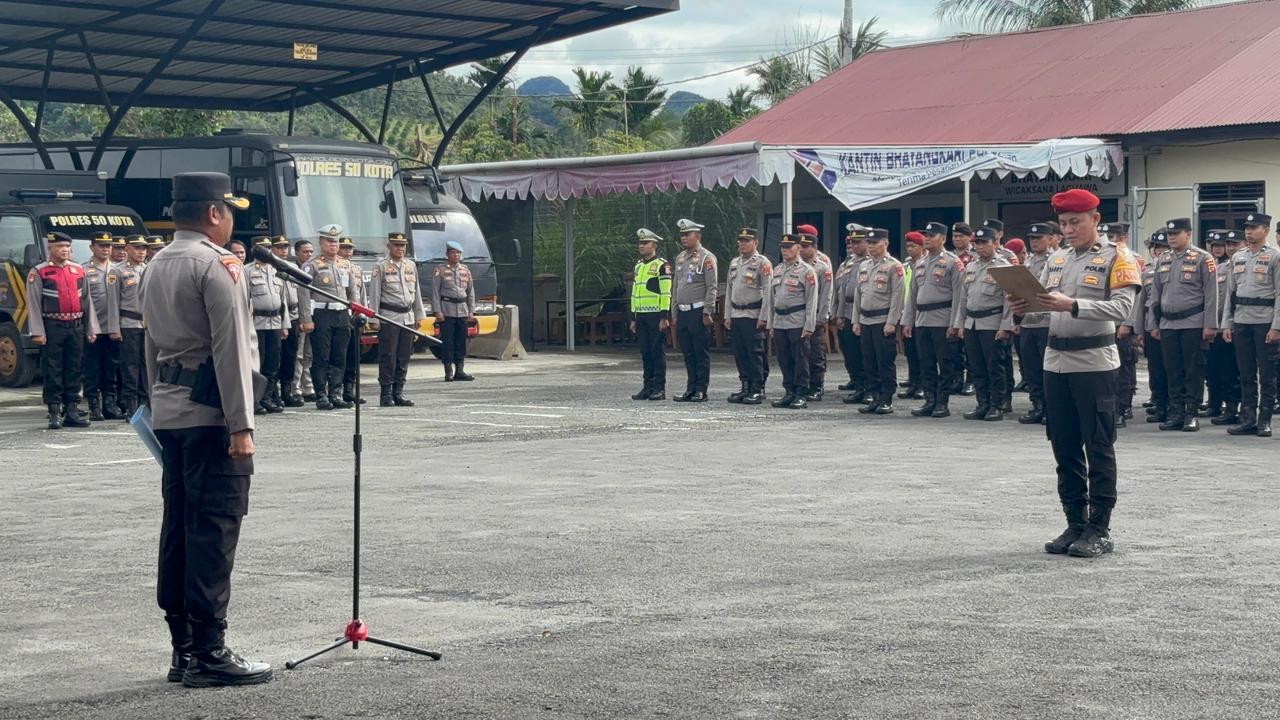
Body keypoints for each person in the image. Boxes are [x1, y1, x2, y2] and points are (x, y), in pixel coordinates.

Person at [140, 171, 271, 687]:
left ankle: (183, 649)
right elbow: (231, 350)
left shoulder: (156, 263)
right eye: (230, 210)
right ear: (215, 213)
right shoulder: (218, 265)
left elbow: (150, 345)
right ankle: (210, 653)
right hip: (213, 415)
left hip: (172, 411)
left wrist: (156, 407)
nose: (231, 219)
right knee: (214, 528)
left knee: (178, 528)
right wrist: (241, 425)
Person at [1011, 188, 1139, 558]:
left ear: (1095, 219)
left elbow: (1122, 308)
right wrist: (1023, 307)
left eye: (1075, 222)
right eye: (1064, 223)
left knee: (1098, 446)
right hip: (1055, 361)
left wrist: (1073, 305)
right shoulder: (1057, 259)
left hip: (1094, 362)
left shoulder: (1118, 256)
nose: (1068, 229)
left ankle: (1100, 528)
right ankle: (1075, 523)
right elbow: (1045, 308)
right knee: (1063, 446)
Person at [1151, 217, 1218, 432]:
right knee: (1172, 370)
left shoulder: (1203, 258)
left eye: (1175, 234)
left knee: (1193, 370)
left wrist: (1210, 324)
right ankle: (1176, 412)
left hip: (1193, 323)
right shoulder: (1164, 259)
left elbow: (1211, 294)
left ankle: (1191, 413)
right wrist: (1154, 324)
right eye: (1169, 234)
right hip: (1168, 323)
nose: (1171, 238)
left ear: (1188, 234)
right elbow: (1155, 294)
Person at [27, 231, 99, 429]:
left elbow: (87, 301)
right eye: (60, 246)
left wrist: (91, 328)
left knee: (74, 368)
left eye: (67, 246)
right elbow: (33, 303)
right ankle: (54, 410)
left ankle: (72, 409)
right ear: (50, 248)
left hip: (76, 325)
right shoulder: (39, 271)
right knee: (53, 369)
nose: (65, 250)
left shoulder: (78, 269)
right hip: (53, 326)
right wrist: (38, 331)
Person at [1221, 212, 1280, 438]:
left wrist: (1276, 327)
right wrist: (1227, 324)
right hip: (1242, 321)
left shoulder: (1275, 256)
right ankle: (1247, 419)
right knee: (1245, 373)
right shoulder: (1238, 257)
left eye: (1253, 227)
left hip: (1264, 322)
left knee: (1267, 374)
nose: (1248, 231)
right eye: (1246, 227)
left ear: (1266, 230)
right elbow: (1230, 294)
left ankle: (1264, 420)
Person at [902, 221, 964, 418]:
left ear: (943, 239)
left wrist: (955, 324)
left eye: (931, 236)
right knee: (925, 363)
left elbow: (959, 296)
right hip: (922, 320)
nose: (927, 239)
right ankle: (930, 400)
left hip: (942, 319)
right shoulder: (919, 263)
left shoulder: (952, 262)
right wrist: (908, 321)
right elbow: (912, 295)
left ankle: (942, 403)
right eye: (926, 236)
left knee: (945, 364)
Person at [955, 227, 1014, 421]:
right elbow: (964, 298)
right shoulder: (971, 266)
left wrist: (1005, 326)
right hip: (972, 322)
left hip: (992, 322)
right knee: (976, 366)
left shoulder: (1003, 266)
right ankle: (982, 404)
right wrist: (960, 324)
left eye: (984, 243)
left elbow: (1009, 300)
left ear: (994, 243)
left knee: (994, 367)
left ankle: (997, 405)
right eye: (977, 243)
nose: (980, 247)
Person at [299, 224, 358, 409]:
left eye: (336, 241)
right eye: (329, 241)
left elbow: (352, 291)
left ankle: (335, 393)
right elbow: (304, 293)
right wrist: (306, 319)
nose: (333, 245)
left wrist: (356, 311)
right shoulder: (312, 265)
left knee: (340, 357)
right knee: (321, 357)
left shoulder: (345, 264)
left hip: (342, 314)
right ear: (321, 242)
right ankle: (321, 395)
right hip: (322, 314)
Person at [369, 232, 425, 406]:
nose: (400, 249)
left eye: (403, 245)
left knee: (403, 357)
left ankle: (398, 392)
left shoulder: (410, 265)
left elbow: (417, 292)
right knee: (388, 356)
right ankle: (386, 394)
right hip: (389, 317)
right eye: (396, 245)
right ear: (389, 247)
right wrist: (374, 318)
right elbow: (375, 294)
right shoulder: (381, 266)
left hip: (407, 317)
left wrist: (419, 315)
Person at [851, 228, 904, 414]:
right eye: (869, 243)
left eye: (875, 243)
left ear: (886, 243)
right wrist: (856, 320)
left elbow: (898, 296)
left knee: (884, 362)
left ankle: (886, 399)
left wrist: (892, 322)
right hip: (865, 320)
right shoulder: (864, 266)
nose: (871, 246)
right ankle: (874, 397)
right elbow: (858, 294)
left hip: (883, 320)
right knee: (869, 362)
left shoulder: (894, 266)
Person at [766, 233, 818, 409]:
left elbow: (812, 300)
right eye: (783, 247)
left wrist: (809, 325)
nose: (785, 250)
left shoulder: (806, 271)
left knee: (800, 358)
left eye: (788, 247)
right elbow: (772, 299)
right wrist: (771, 324)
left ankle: (801, 393)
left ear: (798, 248)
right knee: (784, 358)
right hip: (780, 321)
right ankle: (789, 391)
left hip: (797, 320)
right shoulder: (778, 269)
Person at [671, 218, 717, 402]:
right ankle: (690, 387)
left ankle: (701, 389)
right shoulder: (680, 257)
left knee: (700, 353)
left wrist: (707, 311)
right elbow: (676, 286)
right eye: (682, 235)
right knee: (688, 353)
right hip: (683, 311)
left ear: (697, 236)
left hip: (698, 311)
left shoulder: (707, 258)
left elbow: (712, 286)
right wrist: (674, 312)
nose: (683, 238)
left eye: (687, 234)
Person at [723, 227, 771, 404]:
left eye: (746, 241)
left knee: (755, 352)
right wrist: (728, 315)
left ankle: (757, 387)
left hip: (753, 314)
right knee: (740, 352)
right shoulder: (735, 263)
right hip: (737, 313)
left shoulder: (762, 263)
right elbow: (729, 290)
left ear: (755, 243)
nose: (742, 244)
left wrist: (764, 317)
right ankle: (745, 386)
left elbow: (768, 291)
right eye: (741, 241)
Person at [1129, 231, 1172, 423]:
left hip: (1170, 321)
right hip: (1149, 323)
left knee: (1171, 367)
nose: (1160, 251)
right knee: (1155, 367)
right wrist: (1139, 329)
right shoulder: (1146, 271)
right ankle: (1159, 401)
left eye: (1164, 247)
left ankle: (1173, 405)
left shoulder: (1173, 268)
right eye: (1157, 247)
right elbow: (1140, 303)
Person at [1016, 224, 1054, 425]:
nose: (1035, 241)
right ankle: (1037, 405)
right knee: (1031, 368)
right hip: (1028, 321)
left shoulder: (1056, 260)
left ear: (1050, 238)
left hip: (1047, 321)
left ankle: (1050, 409)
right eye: (1032, 238)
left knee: (1047, 368)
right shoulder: (1028, 261)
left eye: (1039, 237)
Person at [1102, 223, 1140, 423]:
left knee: (1123, 367)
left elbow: (1134, 297)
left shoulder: (1128, 258)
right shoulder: (1101, 257)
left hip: (1120, 323)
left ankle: (1123, 408)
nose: (1107, 240)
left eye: (1112, 237)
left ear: (1123, 238)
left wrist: (1128, 323)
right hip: (1104, 322)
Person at [82, 230, 122, 421]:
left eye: (108, 245)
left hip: (113, 327)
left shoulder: (117, 269)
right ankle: (93, 405)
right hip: (93, 328)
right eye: (101, 245)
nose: (106, 249)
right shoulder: (83, 270)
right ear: (92, 247)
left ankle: (110, 403)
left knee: (111, 367)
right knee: (92, 368)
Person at [109, 234, 150, 417]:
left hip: (148, 324)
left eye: (144, 248)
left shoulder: (149, 268)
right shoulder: (117, 271)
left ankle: (146, 402)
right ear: (127, 249)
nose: (141, 252)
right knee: (130, 366)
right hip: (128, 323)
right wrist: (114, 328)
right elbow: (113, 302)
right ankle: (130, 403)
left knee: (147, 365)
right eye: (137, 248)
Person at [1204, 230, 1242, 425]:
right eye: (1216, 246)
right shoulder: (1215, 266)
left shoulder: (1233, 266)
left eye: (1226, 245)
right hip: (1215, 326)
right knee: (1214, 368)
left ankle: (1233, 407)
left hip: (1230, 325)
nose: (1222, 249)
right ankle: (1215, 403)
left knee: (1231, 369)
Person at [247, 237, 288, 415]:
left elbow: (283, 300)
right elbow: (245, 300)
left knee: (273, 362)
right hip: (257, 323)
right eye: (263, 248)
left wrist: (285, 325)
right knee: (258, 363)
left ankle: (267, 398)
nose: (267, 251)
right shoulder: (247, 270)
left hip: (275, 322)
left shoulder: (275, 270)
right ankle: (255, 400)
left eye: (268, 248)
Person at [431, 239, 477, 382]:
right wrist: (437, 311)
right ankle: (448, 370)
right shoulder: (440, 270)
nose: (456, 255)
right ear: (447, 254)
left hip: (462, 310)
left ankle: (460, 370)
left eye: (458, 253)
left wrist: (471, 310)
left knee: (461, 341)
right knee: (448, 341)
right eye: (453, 253)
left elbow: (470, 292)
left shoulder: (465, 270)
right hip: (447, 310)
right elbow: (435, 292)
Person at [834, 225, 870, 402]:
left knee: (866, 354)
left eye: (858, 242)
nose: (854, 246)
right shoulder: (849, 263)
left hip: (865, 312)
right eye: (852, 243)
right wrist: (839, 314)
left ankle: (870, 389)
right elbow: (841, 290)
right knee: (851, 353)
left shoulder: (871, 262)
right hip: (848, 311)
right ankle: (859, 386)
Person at [797, 224, 832, 401]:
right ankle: (803, 384)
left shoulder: (822, 264)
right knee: (801, 352)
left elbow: (827, 294)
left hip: (816, 313)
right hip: (798, 315)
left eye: (805, 245)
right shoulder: (796, 263)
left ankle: (817, 385)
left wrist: (822, 317)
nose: (801, 249)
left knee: (815, 352)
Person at [272, 236, 304, 407]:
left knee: (291, 355)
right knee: (275, 356)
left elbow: (301, 294)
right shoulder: (269, 268)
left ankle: (287, 390)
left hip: (293, 315)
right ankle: (273, 392)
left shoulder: (293, 268)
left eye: (285, 247)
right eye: (279, 247)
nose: (283, 250)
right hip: (275, 317)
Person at [338, 237, 366, 405]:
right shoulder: (332, 267)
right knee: (338, 354)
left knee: (353, 355)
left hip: (354, 318)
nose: (348, 252)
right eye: (344, 248)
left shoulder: (356, 269)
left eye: (350, 248)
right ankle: (334, 390)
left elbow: (361, 294)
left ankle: (349, 389)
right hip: (339, 315)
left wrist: (364, 314)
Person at [897, 231, 926, 401]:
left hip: (921, 312)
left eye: (913, 246)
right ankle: (913, 382)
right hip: (907, 311)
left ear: (922, 247)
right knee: (910, 352)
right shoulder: (906, 265)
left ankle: (922, 385)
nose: (910, 249)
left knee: (922, 352)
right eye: (908, 246)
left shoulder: (925, 264)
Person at [951, 223, 976, 396]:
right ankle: (957, 379)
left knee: (970, 347)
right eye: (955, 236)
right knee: (954, 347)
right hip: (954, 304)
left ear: (969, 237)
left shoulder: (975, 256)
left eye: (961, 236)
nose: (957, 239)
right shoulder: (950, 257)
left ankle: (971, 381)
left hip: (971, 303)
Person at [291, 239, 316, 401]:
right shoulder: (292, 269)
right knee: (298, 354)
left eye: (311, 251)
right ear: (297, 252)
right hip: (297, 316)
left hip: (313, 315)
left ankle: (308, 386)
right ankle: (296, 387)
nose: (309, 254)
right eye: (305, 251)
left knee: (309, 353)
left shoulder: (314, 267)